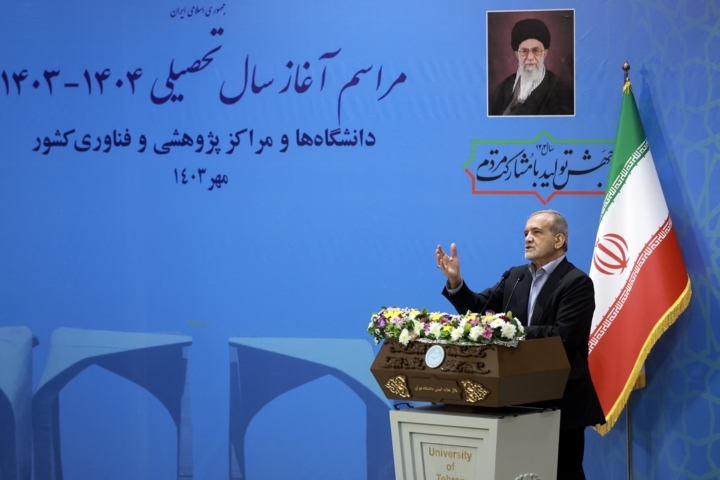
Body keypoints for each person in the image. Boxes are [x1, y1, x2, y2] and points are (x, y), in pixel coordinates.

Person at [436, 210, 605, 480]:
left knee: (563, 473)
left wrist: (510, 331)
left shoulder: (577, 282)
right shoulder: (515, 277)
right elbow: (479, 310)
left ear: (559, 240)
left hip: (560, 400)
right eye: (526, 233)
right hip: (517, 397)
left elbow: (563, 336)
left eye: (536, 232)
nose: (528, 238)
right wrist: (456, 282)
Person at [488, 18, 574, 116]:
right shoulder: (501, 89)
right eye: (524, 51)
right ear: (517, 54)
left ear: (545, 53)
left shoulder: (562, 93)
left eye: (536, 50)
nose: (530, 57)